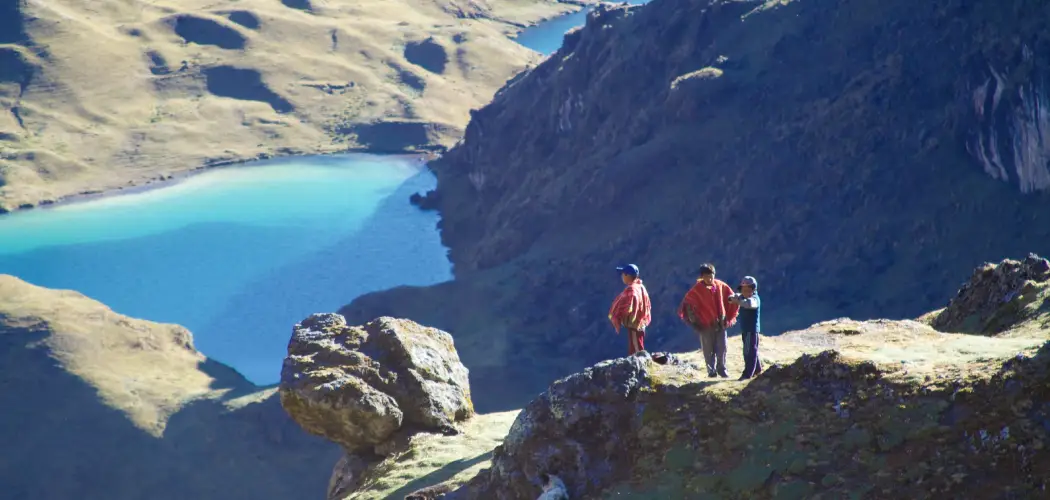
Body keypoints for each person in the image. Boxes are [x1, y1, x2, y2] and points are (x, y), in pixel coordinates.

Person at [678, 263, 739, 378]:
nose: (710, 279)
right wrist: (694, 321)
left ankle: (722, 368)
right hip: (705, 326)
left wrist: (729, 313)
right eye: (707, 276)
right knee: (708, 349)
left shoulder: (721, 286)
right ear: (702, 277)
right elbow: (688, 304)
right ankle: (711, 370)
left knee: (722, 347)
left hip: (720, 324)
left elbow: (731, 297)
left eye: (711, 276)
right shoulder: (696, 291)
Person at [608, 263, 652, 356]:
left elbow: (627, 305)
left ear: (628, 275)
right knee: (637, 342)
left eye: (623, 274)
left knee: (636, 348)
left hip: (635, 323)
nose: (622, 276)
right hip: (641, 320)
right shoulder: (640, 286)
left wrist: (621, 315)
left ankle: (639, 363)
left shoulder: (632, 289)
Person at [728, 276, 762, 380]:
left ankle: (747, 374)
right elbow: (733, 297)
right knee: (751, 350)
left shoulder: (755, 299)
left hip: (751, 330)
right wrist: (734, 297)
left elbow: (750, 304)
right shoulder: (742, 297)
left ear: (753, 289)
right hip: (746, 330)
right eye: (743, 289)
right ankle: (757, 369)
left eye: (748, 289)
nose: (745, 292)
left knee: (748, 352)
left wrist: (738, 300)